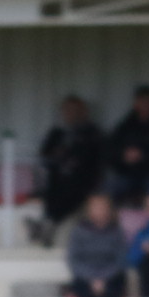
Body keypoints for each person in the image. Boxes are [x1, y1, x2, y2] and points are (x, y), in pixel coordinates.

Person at [40, 94, 108, 227]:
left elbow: (98, 159)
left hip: (83, 178)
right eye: (68, 110)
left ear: (84, 112)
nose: (72, 114)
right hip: (58, 176)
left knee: (71, 187)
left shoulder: (93, 133)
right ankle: (49, 221)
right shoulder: (57, 133)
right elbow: (45, 155)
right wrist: (57, 156)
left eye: (76, 110)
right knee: (53, 184)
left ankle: (50, 222)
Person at [64, 192, 128, 297]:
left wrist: (102, 279)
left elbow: (120, 260)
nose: (100, 211)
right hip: (85, 278)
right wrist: (92, 279)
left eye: (102, 207)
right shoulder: (79, 231)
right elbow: (73, 259)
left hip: (111, 279)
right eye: (96, 207)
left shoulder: (117, 232)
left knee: (105, 296)